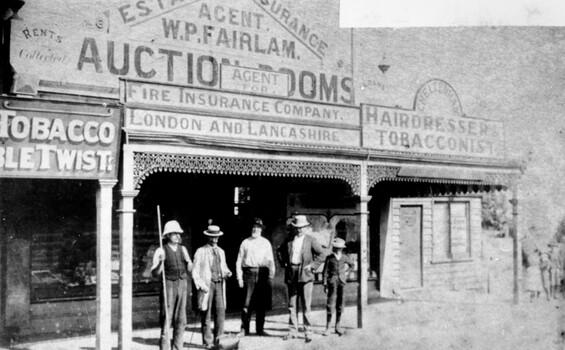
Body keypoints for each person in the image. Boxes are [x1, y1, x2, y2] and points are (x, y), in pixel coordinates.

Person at [277, 215, 325, 343]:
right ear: (294, 228)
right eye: (297, 228)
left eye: (302, 227)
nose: (299, 230)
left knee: (306, 305)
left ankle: (308, 332)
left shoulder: (311, 240)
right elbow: (279, 251)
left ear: (306, 227)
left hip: (305, 274)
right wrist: (284, 264)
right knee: (292, 305)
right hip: (292, 273)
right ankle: (292, 331)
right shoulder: (289, 240)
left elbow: (322, 254)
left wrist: (313, 266)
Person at [151, 220, 193, 350]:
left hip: (182, 284)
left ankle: (177, 347)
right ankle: (165, 347)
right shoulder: (161, 250)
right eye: (174, 233)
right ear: (168, 235)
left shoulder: (183, 249)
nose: (178, 236)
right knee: (167, 318)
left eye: (178, 233)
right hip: (169, 285)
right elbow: (154, 273)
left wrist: (190, 263)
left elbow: (190, 268)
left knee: (181, 319)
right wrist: (160, 263)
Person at [192, 225, 232, 348]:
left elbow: (223, 267)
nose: (215, 240)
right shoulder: (201, 251)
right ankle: (207, 342)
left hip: (219, 284)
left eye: (217, 237)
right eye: (212, 237)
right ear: (208, 237)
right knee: (206, 312)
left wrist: (227, 272)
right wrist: (200, 285)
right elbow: (195, 271)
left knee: (220, 312)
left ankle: (219, 340)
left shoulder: (221, 251)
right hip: (207, 286)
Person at [235, 218, 276, 337]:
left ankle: (260, 329)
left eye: (258, 227)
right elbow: (239, 261)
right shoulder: (245, 242)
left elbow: (271, 261)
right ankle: (244, 329)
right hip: (249, 273)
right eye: (253, 227)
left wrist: (271, 276)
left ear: (261, 229)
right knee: (246, 303)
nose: (255, 229)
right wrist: (239, 277)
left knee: (261, 303)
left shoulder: (266, 243)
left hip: (263, 273)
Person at [322, 237, 354, 336]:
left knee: (340, 303)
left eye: (339, 248)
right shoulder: (329, 258)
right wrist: (325, 284)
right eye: (336, 247)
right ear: (333, 248)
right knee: (330, 303)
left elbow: (352, 265)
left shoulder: (344, 257)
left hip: (342, 281)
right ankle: (328, 328)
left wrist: (347, 273)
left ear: (342, 248)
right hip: (332, 282)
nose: (338, 249)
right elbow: (325, 272)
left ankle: (337, 326)